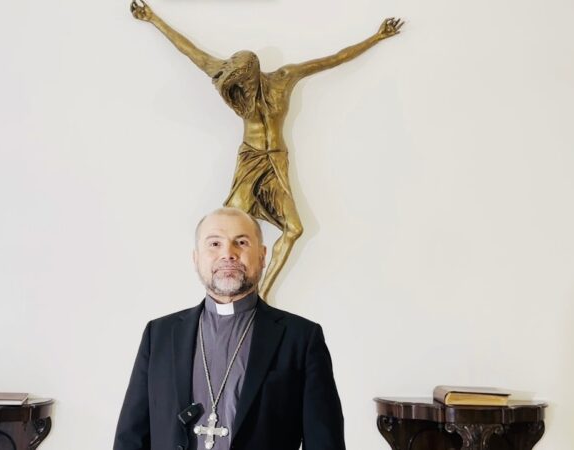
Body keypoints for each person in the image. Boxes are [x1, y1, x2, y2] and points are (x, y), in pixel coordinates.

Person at [130, 0, 403, 298]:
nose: (241, 90)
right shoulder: (232, 79)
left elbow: (333, 59)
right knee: (229, 226)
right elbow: (190, 51)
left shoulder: (285, 78)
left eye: (244, 82)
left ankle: (262, 295)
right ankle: (224, 283)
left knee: (294, 229)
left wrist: (377, 37)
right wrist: (152, 18)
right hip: (250, 159)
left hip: (276, 161)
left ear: (253, 73)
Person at [114, 207, 345, 450]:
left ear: (262, 256)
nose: (228, 254)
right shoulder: (159, 335)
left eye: (241, 242)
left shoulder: (300, 338)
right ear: (196, 258)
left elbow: (324, 443)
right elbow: (130, 438)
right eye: (215, 244)